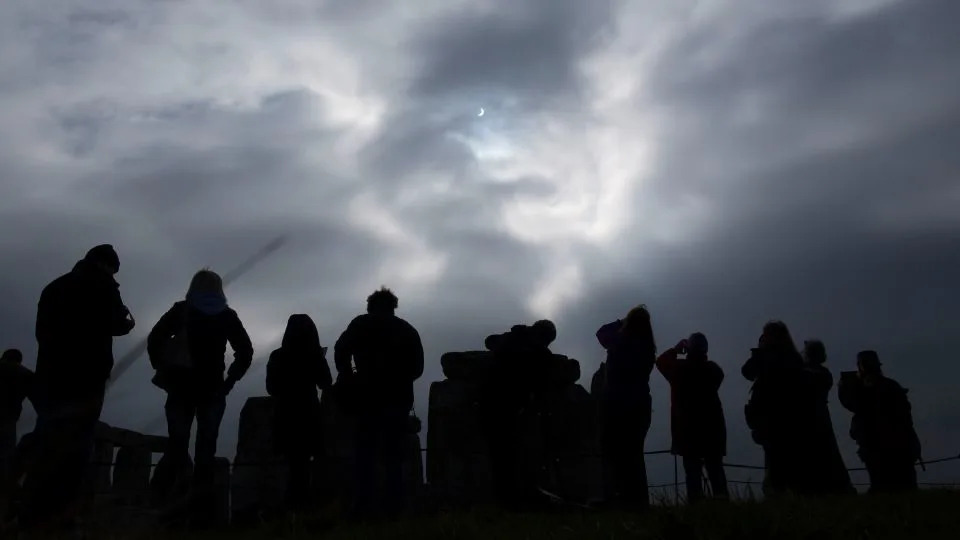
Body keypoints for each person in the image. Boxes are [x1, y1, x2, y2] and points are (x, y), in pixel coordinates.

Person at [18, 244, 136, 531]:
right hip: (87, 378)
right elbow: (119, 324)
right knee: (78, 445)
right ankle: (64, 514)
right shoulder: (105, 288)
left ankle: (29, 511)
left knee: (48, 440)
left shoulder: (54, 287)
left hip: (52, 375)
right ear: (108, 266)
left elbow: (41, 333)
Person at [147, 269, 253, 525]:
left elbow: (154, 339)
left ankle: (164, 507)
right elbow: (245, 351)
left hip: (180, 389)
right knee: (206, 450)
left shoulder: (182, 310)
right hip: (213, 389)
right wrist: (230, 380)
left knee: (177, 445)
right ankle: (201, 514)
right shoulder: (226, 315)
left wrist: (163, 369)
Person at [334, 287, 423, 518]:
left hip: (366, 398)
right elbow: (418, 368)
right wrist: (400, 379)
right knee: (393, 455)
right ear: (393, 306)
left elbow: (340, 350)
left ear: (370, 305)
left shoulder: (361, 324)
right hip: (397, 399)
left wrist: (348, 376)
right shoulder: (407, 330)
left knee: (365, 453)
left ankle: (364, 506)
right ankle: (395, 507)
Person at [478, 319, 557, 511]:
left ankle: (504, 501)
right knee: (517, 456)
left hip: (491, 402)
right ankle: (516, 501)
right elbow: (541, 385)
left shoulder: (512, 339)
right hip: (515, 408)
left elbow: (489, 341)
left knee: (500, 457)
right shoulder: (540, 354)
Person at [266, 314, 333, 512]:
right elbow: (326, 383)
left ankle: (291, 508)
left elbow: (271, 387)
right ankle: (301, 506)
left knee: (292, 463)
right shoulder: (314, 356)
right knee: (303, 464)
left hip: (285, 414)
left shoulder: (277, 356)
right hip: (308, 413)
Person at [596, 305, 656, 509]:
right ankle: (638, 501)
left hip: (617, 405)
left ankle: (615, 498)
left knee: (613, 453)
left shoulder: (620, 342)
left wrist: (620, 322)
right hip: (640, 406)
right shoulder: (649, 348)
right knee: (635, 456)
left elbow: (601, 333)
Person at [656, 333, 728, 502]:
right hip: (712, 428)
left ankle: (696, 510)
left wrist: (677, 351)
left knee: (693, 475)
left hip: (688, 429)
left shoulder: (679, 369)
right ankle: (725, 508)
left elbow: (661, 362)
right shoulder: (713, 370)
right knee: (716, 471)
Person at [838, 350, 921, 493]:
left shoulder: (873, 389)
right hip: (887, 443)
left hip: (887, 443)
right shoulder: (888, 386)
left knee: (887, 484)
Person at [742, 320, 809, 495]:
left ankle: (778, 494)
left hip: (772, 416)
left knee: (775, 460)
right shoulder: (794, 358)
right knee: (787, 459)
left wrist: (758, 353)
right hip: (788, 416)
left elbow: (747, 372)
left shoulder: (769, 357)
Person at [800, 340, 854, 495]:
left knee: (825, 453)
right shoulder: (814, 373)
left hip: (817, 419)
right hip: (812, 419)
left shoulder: (821, 374)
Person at [0, 349, 34, 503]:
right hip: (8, 419)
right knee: (6, 456)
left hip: (8, 419)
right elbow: (39, 398)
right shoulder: (25, 375)